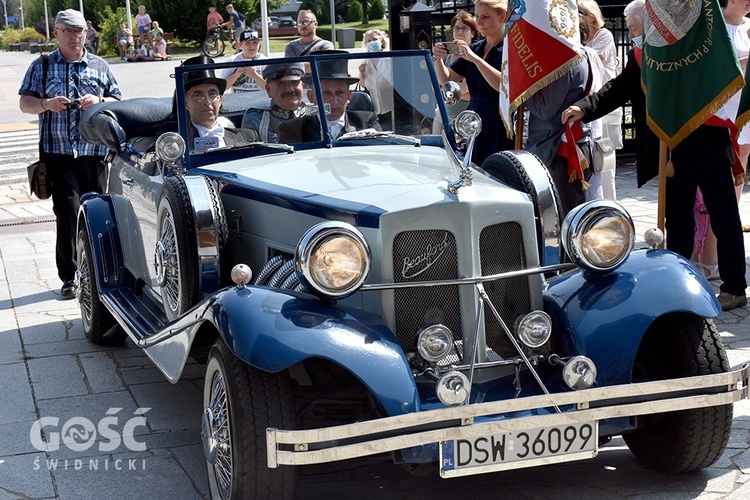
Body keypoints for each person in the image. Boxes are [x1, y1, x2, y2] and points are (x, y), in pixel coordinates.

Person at [561, 0, 748, 311]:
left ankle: (733, 287)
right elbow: (620, 87)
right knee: (677, 217)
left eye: (637, 28)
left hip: (707, 137)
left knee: (723, 214)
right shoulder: (643, 51)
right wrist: (585, 107)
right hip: (672, 143)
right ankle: (677, 279)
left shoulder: (696, 43)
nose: (635, 34)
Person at [18, 9, 121, 300]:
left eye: (80, 32)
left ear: (86, 34)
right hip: (58, 153)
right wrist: (46, 103)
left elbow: (118, 100)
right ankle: (70, 276)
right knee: (67, 212)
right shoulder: (42, 65)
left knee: (99, 214)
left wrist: (99, 100)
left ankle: (101, 272)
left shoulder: (100, 65)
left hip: (95, 152)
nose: (75, 37)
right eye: (69, 31)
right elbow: (25, 103)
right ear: (57, 33)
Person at [692, 0, 750, 280]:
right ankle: (706, 255)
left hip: (745, 112)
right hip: (718, 117)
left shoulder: (748, 28)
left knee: (735, 185)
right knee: (716, 190)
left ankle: (721, 260)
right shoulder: (714, 28)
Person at [433, 0, 514, 165]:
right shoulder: (477, 48)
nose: (479, 23)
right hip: (472, 123)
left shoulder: (509, 48)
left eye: (485, 17)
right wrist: (438, 59)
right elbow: (447, 80)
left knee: (495, 174)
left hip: (499, 123)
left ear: (502, 17)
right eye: (477, 16)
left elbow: (503, 86)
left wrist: (475, 60)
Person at [280, 56, 381, 143]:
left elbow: (378, 152)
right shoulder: (293, 129)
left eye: (339, 93)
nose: (333, 100)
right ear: (311, 97)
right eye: (326, 93)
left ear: (349, 96)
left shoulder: (367, 121)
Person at [579, 0, 622, 200]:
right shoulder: (582, 38)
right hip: (591, 106)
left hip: (606, 105)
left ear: (591, 15)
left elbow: (589, 58)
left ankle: (610, 205)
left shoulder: (604, 36)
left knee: (605, 162)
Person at [178, 56, 259, 151]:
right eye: (198, 96)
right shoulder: (177, 142)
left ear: (220, 100)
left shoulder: (247, 137)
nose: (207, 102)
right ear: (186, 104)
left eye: (212, 95)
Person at [241, 62, 309, 142]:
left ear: (302, 85)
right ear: (269, 89)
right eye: (281, 84)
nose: (290, 89)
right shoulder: (256, 119)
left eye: (295, 83)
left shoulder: (317, 114)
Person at [357, 29, 393, 128]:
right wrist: (361, 72)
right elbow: (363, 85)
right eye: (369, 40)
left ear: (381, 41)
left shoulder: (389, 57)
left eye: (375, 39)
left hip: (390, 107)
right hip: (374, 109)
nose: (372, 42)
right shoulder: (366, 60)